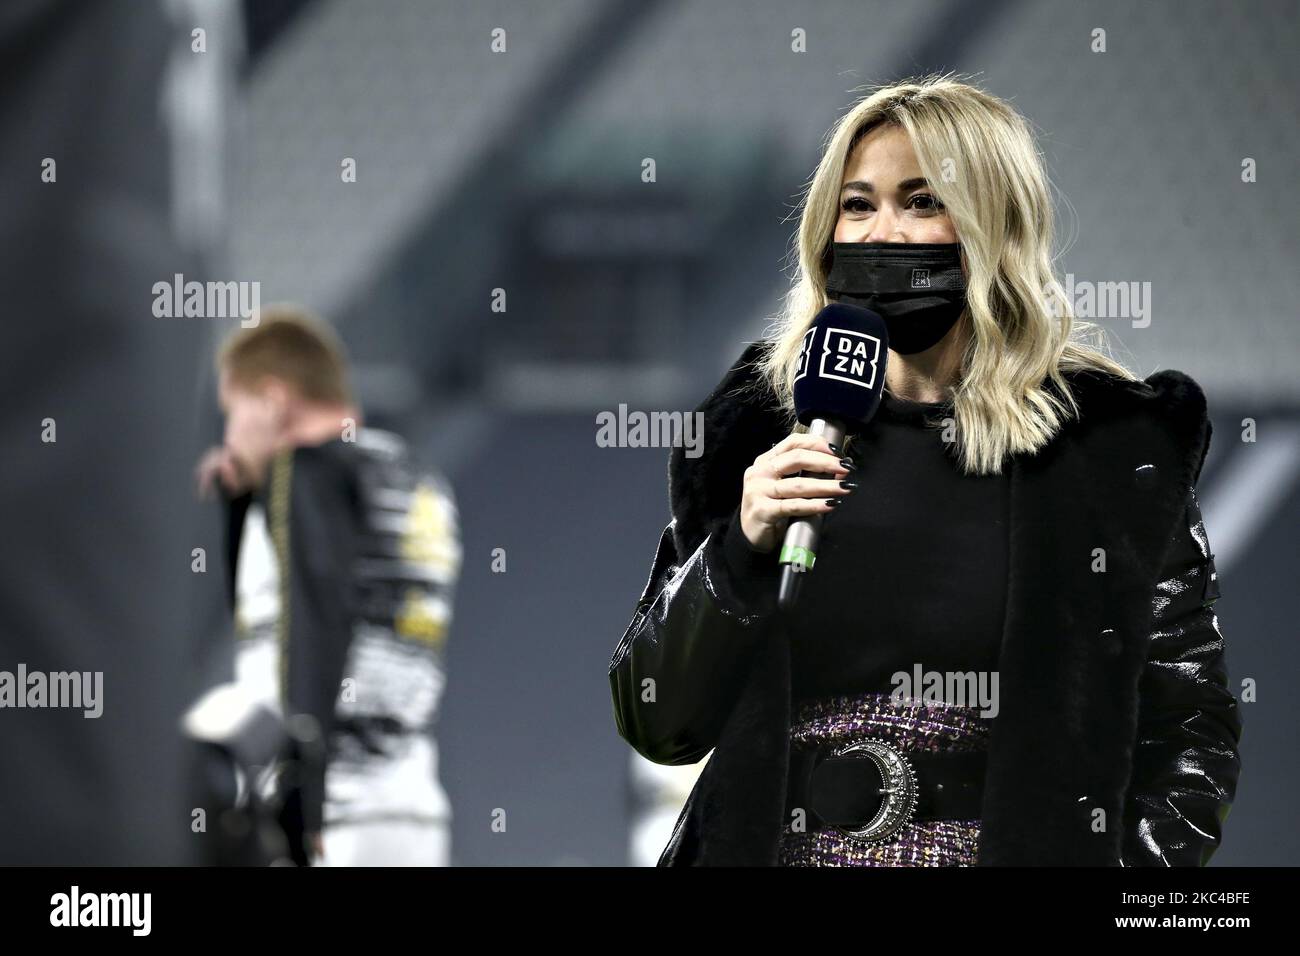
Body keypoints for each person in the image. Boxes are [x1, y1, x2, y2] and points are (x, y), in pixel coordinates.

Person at [608, 75, 1243, 866]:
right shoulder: (756, 429)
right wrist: (738, 548)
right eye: (857, 204)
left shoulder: (1110, 447)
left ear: (991, 227)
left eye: (921, 201)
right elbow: (656, 718)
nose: (882, 235)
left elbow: (1190, 730)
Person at [198, 305, 461, 865]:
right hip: (411, 808)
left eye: (234, 412)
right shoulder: (414, 475)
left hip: (331, 815)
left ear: (272, 401)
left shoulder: (304, 473)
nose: (230, 434)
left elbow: (313, 623)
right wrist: (242, 503)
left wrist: (304, 797)